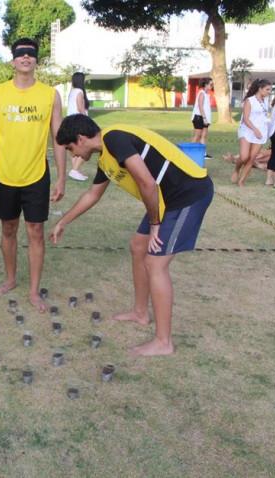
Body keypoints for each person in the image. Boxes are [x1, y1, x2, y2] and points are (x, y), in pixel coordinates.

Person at [50, 115, 213, 357]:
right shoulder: (106, 157)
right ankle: (140, 313)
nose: (73, 154)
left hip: (187, 194)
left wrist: (155, 223)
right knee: (138, 245)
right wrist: (63, 221)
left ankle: (163, 342)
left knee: (155, 262)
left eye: (71, 147)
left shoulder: (115, 139)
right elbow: (92, 195)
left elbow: (148, 183)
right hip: (165, 200)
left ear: (81, 139)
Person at [0, 37, 66, 313]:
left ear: (36, 59)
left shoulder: (50, 95)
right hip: (4, 174)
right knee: (8, 228)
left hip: (37, 174)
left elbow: (59, 138)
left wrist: (63, 176)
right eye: (20, 54)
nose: (25, 58)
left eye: (30, 54)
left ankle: (34, 290)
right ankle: (10, 279)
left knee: (36, 231)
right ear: (13, 60)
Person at [232, 79, 272, 186]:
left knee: (252, 158)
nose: (269, 92)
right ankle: (236, 169)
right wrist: (255, 129)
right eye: (267, 89)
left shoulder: (265, 102)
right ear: (260, 89)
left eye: (270, 90)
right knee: (244, 156)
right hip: (247, 130)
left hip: (260, 133)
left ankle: (241, 181)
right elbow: (245, 118)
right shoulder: (250, 100)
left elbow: (264, 117)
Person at [67, 72, 90, 182]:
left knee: (75, 147)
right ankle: (74, 171)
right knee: (87, 148)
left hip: (70, 122)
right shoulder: (80, 91)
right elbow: (80, 108)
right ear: (81, 80)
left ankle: (75, 171)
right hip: (79, 122)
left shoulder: (72, 91)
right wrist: (88, 122)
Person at [190, 77, 213, 159]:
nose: (211, 86)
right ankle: (189, 152)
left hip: (205, 118)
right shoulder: (201, 93)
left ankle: (203, 154)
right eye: (210, 84)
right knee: (197, 136)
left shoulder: (207, 94)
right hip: (199, 118)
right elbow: (200, 106)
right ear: (205, 85)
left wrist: (206, 119)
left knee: (204, 136)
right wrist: (204, 118)